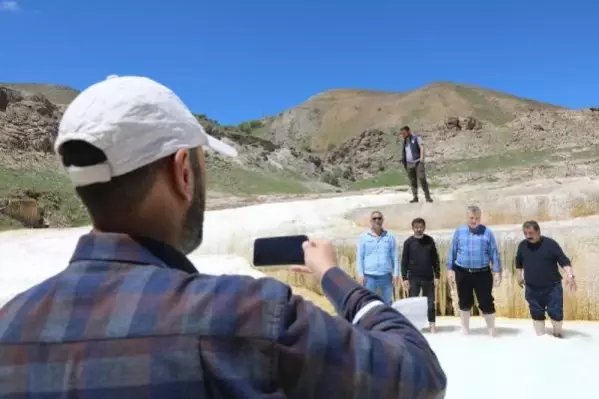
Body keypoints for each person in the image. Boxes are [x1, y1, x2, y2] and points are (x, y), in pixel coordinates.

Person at [0, 75, 447, 398]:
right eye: (201, 165)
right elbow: (418, 376)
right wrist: (335, 278)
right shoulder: (250, 315)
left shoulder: (9, 326)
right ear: (182, 173)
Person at [446, 205, 502, 336]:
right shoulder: (459, 232)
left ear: (480, 218)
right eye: (471, 218)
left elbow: (494, 252)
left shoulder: (487, 232)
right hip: (462, 272)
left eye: (477, 218)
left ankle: (491, 330)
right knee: (464, 301)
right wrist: (450, 269)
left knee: (486, 301)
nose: (474, 220)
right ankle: (465, 331)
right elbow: (452, 251)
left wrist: (497, 271)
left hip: (482, 273)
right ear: (467, 217)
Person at [515, 220, 577, 338]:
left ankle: (558, 336)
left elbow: (563, 260)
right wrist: (519, 276)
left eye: (531, 233)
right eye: (525, 233)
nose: (528, 236)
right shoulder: (522, 245)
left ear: (538, 231)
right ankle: (541, 341)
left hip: (552, 287)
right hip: (532, 287)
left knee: (556, 312)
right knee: (536, 312)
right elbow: (519, 263)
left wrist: (570, 276)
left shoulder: (550, 244)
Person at [401, 218, 441, 333]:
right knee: (413, 303)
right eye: (416, 227)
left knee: (430, 303)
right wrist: (404, 278)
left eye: (421, 227)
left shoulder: (430, 240)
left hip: (428, 278)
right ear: (412, 228)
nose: (419, 229)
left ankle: (432, 326)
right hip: (413, 278)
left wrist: (437, 275)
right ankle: (414, 327)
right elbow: (404, 261)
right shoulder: (408, 242)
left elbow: (435, 259)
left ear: (424, 227)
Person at [356, 211, 401, 305]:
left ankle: (387, 320)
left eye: (379, 218)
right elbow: (360, 257)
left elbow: (395, 256)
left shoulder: (389, 237)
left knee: (387, 302)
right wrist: (360, 274)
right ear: (370, 221)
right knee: (369, 302)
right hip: (369, 277)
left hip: (386, 276)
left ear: (383, 220)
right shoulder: (363, 237)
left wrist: (396, 273)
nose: (377, 220)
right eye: (374, 218)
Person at [400, 125, 433, 203]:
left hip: (418, 162)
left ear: (408, 131)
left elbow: (422, 146)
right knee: (412, 181)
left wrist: (422, 158)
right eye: (402, 133)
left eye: (404, 133)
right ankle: (415, 197)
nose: (403, 135)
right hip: (409, 164)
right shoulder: (404, 141)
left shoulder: (416, 138)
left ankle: (427, 197)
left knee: (422, 178)